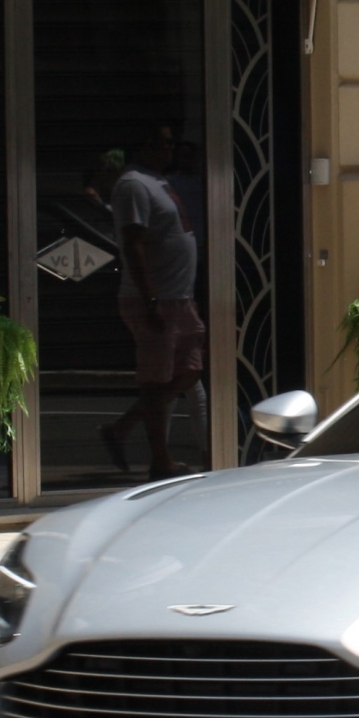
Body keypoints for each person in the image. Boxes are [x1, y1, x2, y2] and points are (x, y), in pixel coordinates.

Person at [103, 125, 206, 480]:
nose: (170, 149)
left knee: (190, 370)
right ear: (144, 146)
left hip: (179, 298)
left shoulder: (158, 181)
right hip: (156, 299)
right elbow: (133, 243)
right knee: (155, 382)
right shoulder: (133, 184)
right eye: (163, 142)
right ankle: (161, 459)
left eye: (172, 142)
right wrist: (150, 299)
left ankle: (123, 428)